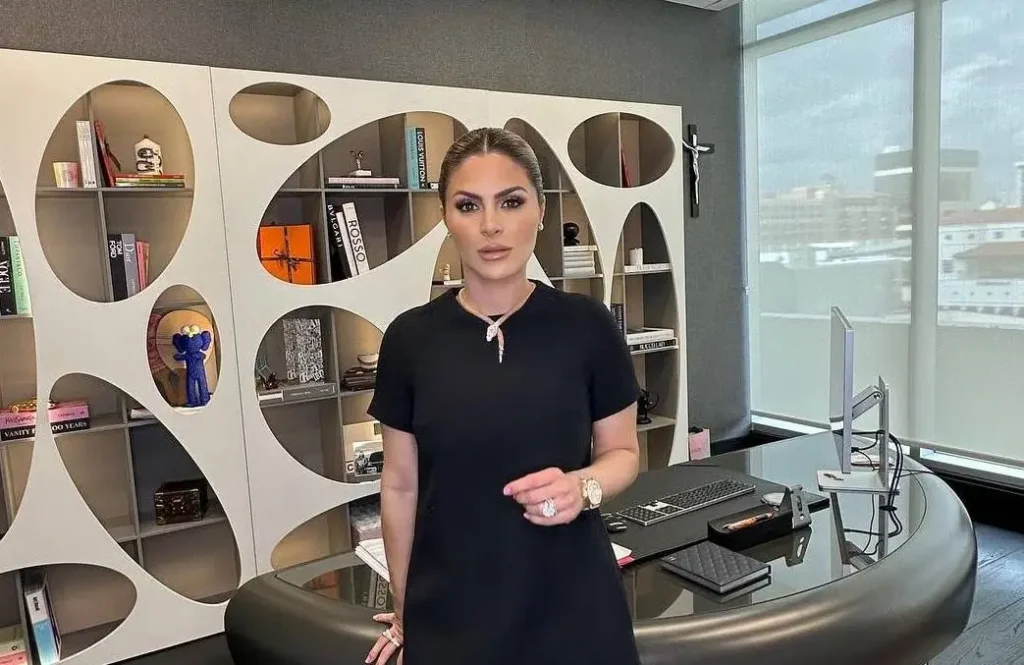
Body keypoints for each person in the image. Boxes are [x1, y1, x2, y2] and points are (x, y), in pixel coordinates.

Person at [363, 127, 643, 665]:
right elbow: (399, 484)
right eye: (468, 205)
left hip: (573, 603)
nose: (490, 225)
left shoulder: (588, 327)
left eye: (511, 202)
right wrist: (404, 608)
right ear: (446, 217)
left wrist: (582, 487)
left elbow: (623, 453)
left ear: (540, 210)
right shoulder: (410, 339)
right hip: (452, 607)